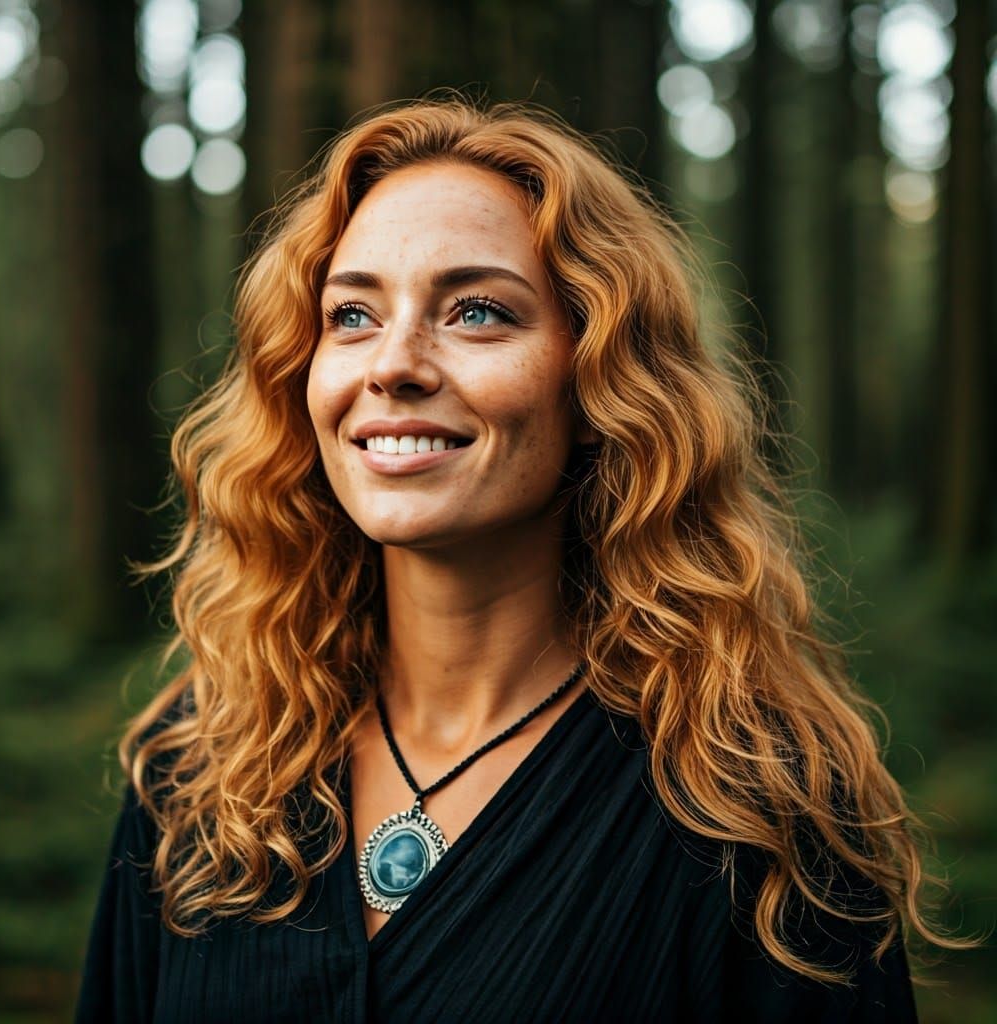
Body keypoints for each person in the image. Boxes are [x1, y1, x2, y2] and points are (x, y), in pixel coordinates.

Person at [75, 96, 953, 1023]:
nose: (392, 365)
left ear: (603, 380)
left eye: (478, 312)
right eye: (353, 314)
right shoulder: (198, 768)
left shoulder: (752, 807)